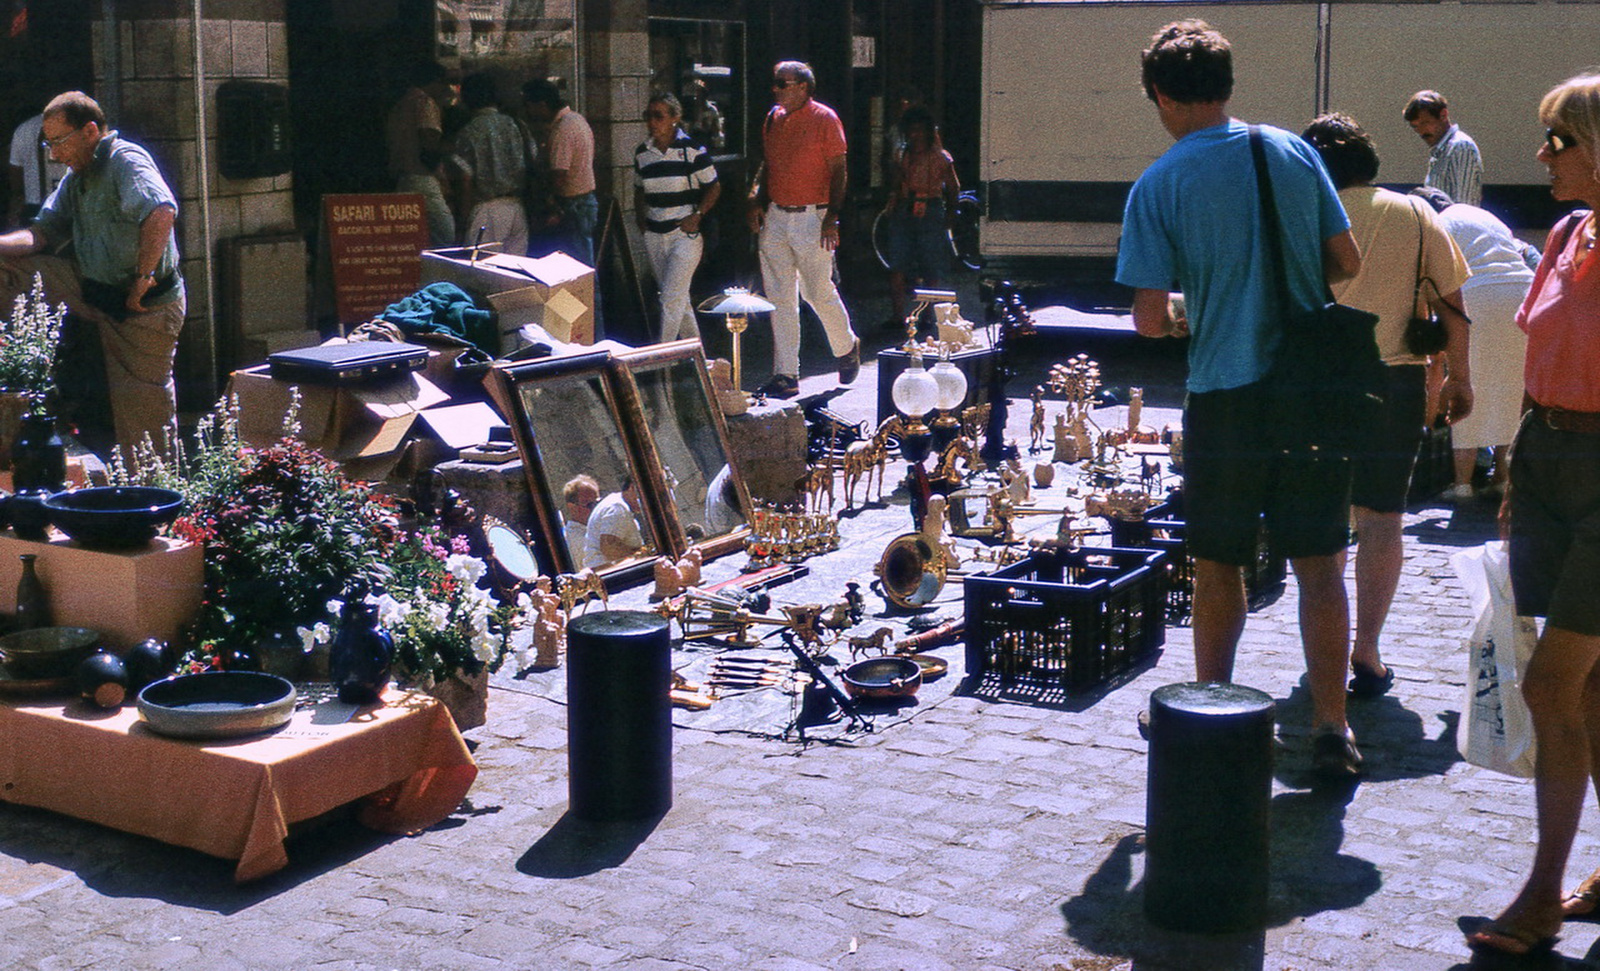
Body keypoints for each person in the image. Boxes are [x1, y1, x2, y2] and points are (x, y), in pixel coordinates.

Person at [1116, 21, 1367, 777]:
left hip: (1225, 394)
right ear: (1227, 84)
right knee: (1321, 563)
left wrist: (1212, 299)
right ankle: (1331, 727)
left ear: (1161, 94)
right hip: (1310, 391)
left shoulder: (1159, 182)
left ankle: (1214, 709)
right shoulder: (1291, 150)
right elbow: (1346, 264)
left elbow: (1152, 320)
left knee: (1218, 561)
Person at [1466, 73, 1600, 958]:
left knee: (1551, 683)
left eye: (1559, 138)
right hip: (1550, 458)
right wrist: (1515, 465)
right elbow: (1539, 355)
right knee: (1588, 687)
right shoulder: (1564, 231)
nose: (1544, 156)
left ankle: (1544, 892)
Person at [1300, 113, 1473, 702]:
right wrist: (1457, 378)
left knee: (1322, 521)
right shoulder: (1416, 213)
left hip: (1315, 385)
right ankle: (1366, 649)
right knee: (1382, 521)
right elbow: (1453, 305)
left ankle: (1322, 647)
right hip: (1393, 383)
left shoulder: (1304, 214)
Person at [0, 91, 184, 455]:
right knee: (8, 268)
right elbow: (41, 233)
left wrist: (143, 277)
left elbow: (161, 212)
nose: (53, 154)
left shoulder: (125, 161)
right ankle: (17, 370)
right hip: (92, 287)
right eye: (48, 144)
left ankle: (157, 502)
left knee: (144, 428)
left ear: (89, 131)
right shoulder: (77, 176)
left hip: (141, 306)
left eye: (59, 142)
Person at [1410, 185, 1536, 499]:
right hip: (1523, 292)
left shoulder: (1435, 223)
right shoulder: (1481, 215)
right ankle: (1502, 479)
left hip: (1478, 293)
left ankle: (1463, 485)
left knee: (1469, 384)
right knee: (1510, 388)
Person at [747, 60, 860, 400]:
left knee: (816, 292)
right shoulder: (773, 118)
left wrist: (833, 216)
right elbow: (767, 164)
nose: (776, 88)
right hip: (777, 216)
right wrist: (754, 198)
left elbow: (839, 169)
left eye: (783, 83)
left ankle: (846, 345)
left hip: (814, 216)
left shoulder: (824, 119)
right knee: (780, 298)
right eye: (776, 82)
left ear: (803, 87)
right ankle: (785, 375)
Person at [634, 93, 720, 343]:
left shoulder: (691, 151)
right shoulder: (643, 153)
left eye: (658, 116)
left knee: (670, 298)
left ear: (675, 118)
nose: (652, 122)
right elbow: (639, 188)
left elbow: (714, 186)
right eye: (648, 116)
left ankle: (662, 358)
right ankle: (699, 360)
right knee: (677, 299)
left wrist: (698, 214)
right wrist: (642, 219)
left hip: (684, 235)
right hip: (654, 234)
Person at [881, 106, 959, 327]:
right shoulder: (902, 154)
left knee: (931, 265)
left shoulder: (941, 158)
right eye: (911, 130)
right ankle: (898, 317)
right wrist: (893, 198)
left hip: (931, 209)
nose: (915, 135)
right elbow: (896, 182)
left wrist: (952, 213)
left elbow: (954, 187)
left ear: (927, 131)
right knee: (897, 264)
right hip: (905, 209)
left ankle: (929, 315)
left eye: (919, 130)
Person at [451, 71, 530, 257]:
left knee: (483, 274)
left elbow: (466, 180)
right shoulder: (518, 126)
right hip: (518, 208)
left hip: (487, 209)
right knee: (516, 277)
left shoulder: (469, 132)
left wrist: (463, 220)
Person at [523, 78, 597, 268]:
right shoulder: (577, 119)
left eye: (530, 106)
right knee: (581, 264)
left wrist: (550, 206)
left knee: (578, 267)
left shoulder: (563, 128)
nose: (529, 112)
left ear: (542, 105)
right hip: (582, 202)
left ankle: (589, 299)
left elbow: (559, 175)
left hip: (572, 205)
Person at [387, 60, 458, 248]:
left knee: (413, 237)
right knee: (446, 235)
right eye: (444, 83)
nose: (447, 89)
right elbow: (429, 142)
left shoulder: (400, 104)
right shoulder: (425, 102)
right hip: (422, 177)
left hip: (402, 178)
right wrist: (450, 148)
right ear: (434, 81)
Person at [1404, 89, 1483, 208]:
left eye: (1426, 122)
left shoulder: (1460, 146)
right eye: (1415, 126)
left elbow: (1464, 205)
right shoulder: (1440, 151)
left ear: (1443, 115)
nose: (1421, 131)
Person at [8, 109, 67, 227]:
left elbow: (15, 175)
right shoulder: (73, 126)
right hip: (64, 206)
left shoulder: (24, 130)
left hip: (35, 206)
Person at [582, 477, 645, 570]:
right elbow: (610, 549)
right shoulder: (617, 508)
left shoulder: (616, 504)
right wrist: (641, 554)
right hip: (610, 574)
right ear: (632, 488)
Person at [561, 473, 600, 559]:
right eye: (588, 504)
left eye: (596, 503)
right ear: (572, 507)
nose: (594, 508)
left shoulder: (599, 528)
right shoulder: (574, 538)